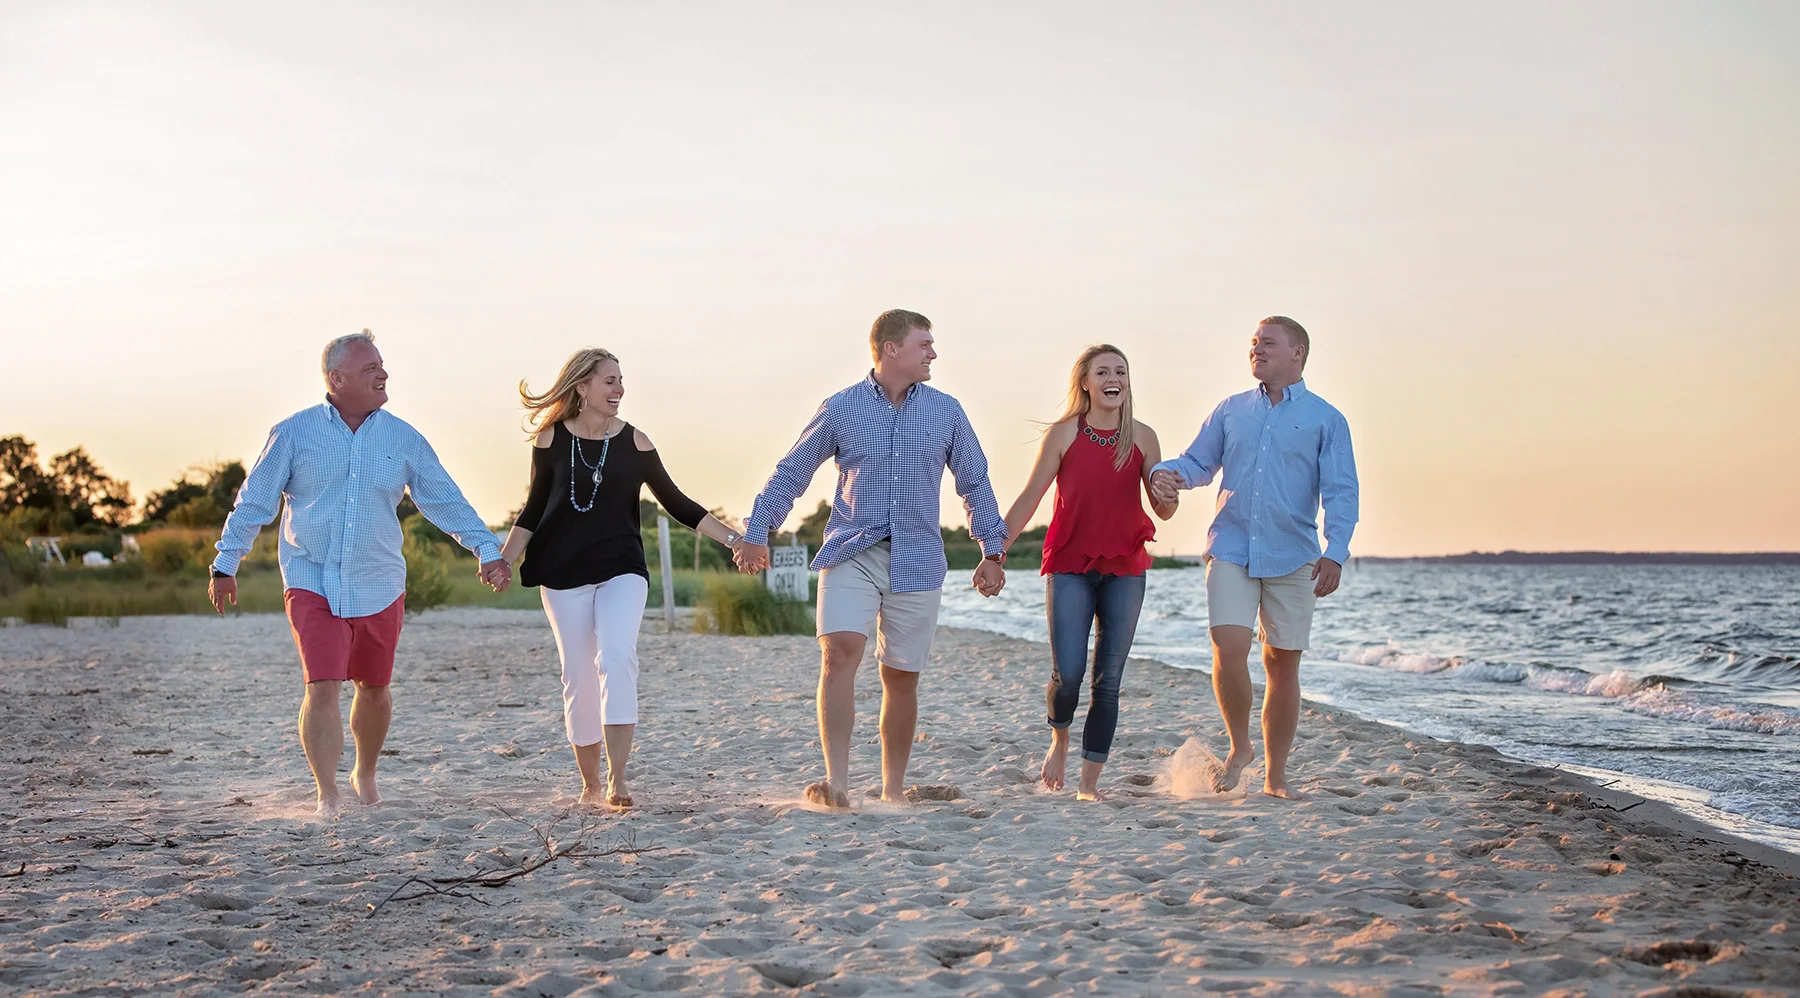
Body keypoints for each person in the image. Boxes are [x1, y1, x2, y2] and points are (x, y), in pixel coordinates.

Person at [207, 330, 510, 818]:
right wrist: (226, 562)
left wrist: (486, 549)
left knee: (374, 688)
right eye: (371, 369)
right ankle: (327, 792)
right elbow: (255, 501)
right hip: (311, 577)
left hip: (379, 579)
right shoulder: (293, 433)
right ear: (337, 378)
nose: (383, 375)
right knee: (321, 685)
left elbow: (443, 499)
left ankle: (364, 772)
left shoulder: (403, 437)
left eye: (383, 366)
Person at [733, 309, 1009, 810]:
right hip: (851, 550)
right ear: (890, 349)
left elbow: (974, 482)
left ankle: (892, 789)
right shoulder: (841, 407)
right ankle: (836, 782)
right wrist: (758, 532)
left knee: (900, 676)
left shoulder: (947, 411)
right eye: (924, 344)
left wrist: (993, 551)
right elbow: (792, 471)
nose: (933, 353)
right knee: (838, 653)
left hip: (920, 557)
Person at [498, 348, 742, 811]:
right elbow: (532, 510)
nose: (619, 390)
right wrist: (504, 560)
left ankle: (618, 777)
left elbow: (678, 503)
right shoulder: (550, 441)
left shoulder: (637, 443)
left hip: (622, 568)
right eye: (609, 381)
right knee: (578, 672)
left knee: (616, 657)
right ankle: (589, 782)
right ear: (582, 387)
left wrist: (736, 540)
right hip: (562, 571)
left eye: (621, 380)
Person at [1150, 316, 1359, 799]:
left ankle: (1276, 775)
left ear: (1298, 352)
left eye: (1267, 343)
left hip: (1295, 556)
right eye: (1253, 343)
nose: (1256, 350)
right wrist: (1167, 472)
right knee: (1228, 645)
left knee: (1283, 666)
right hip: (1231, 547)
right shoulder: (1232, 409)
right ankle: (1240, 747)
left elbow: (1341, 492)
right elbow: (1199, 462)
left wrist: (1337, 553)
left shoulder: (1327, 419)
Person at [1000, 345, 1178, 801]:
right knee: (1070, 673)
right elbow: (1029, 499)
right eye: (1103, 371)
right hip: (1070, 565)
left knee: (1109, 681)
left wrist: (1169, 493)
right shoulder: (1063, 434)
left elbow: (1163, 510)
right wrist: (993, 552)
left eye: (1121, 370)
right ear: (1085, 382)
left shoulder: (1143, 436)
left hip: (1125, 566)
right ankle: (1059, 738)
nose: (1113, 377)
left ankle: (1088, 785)